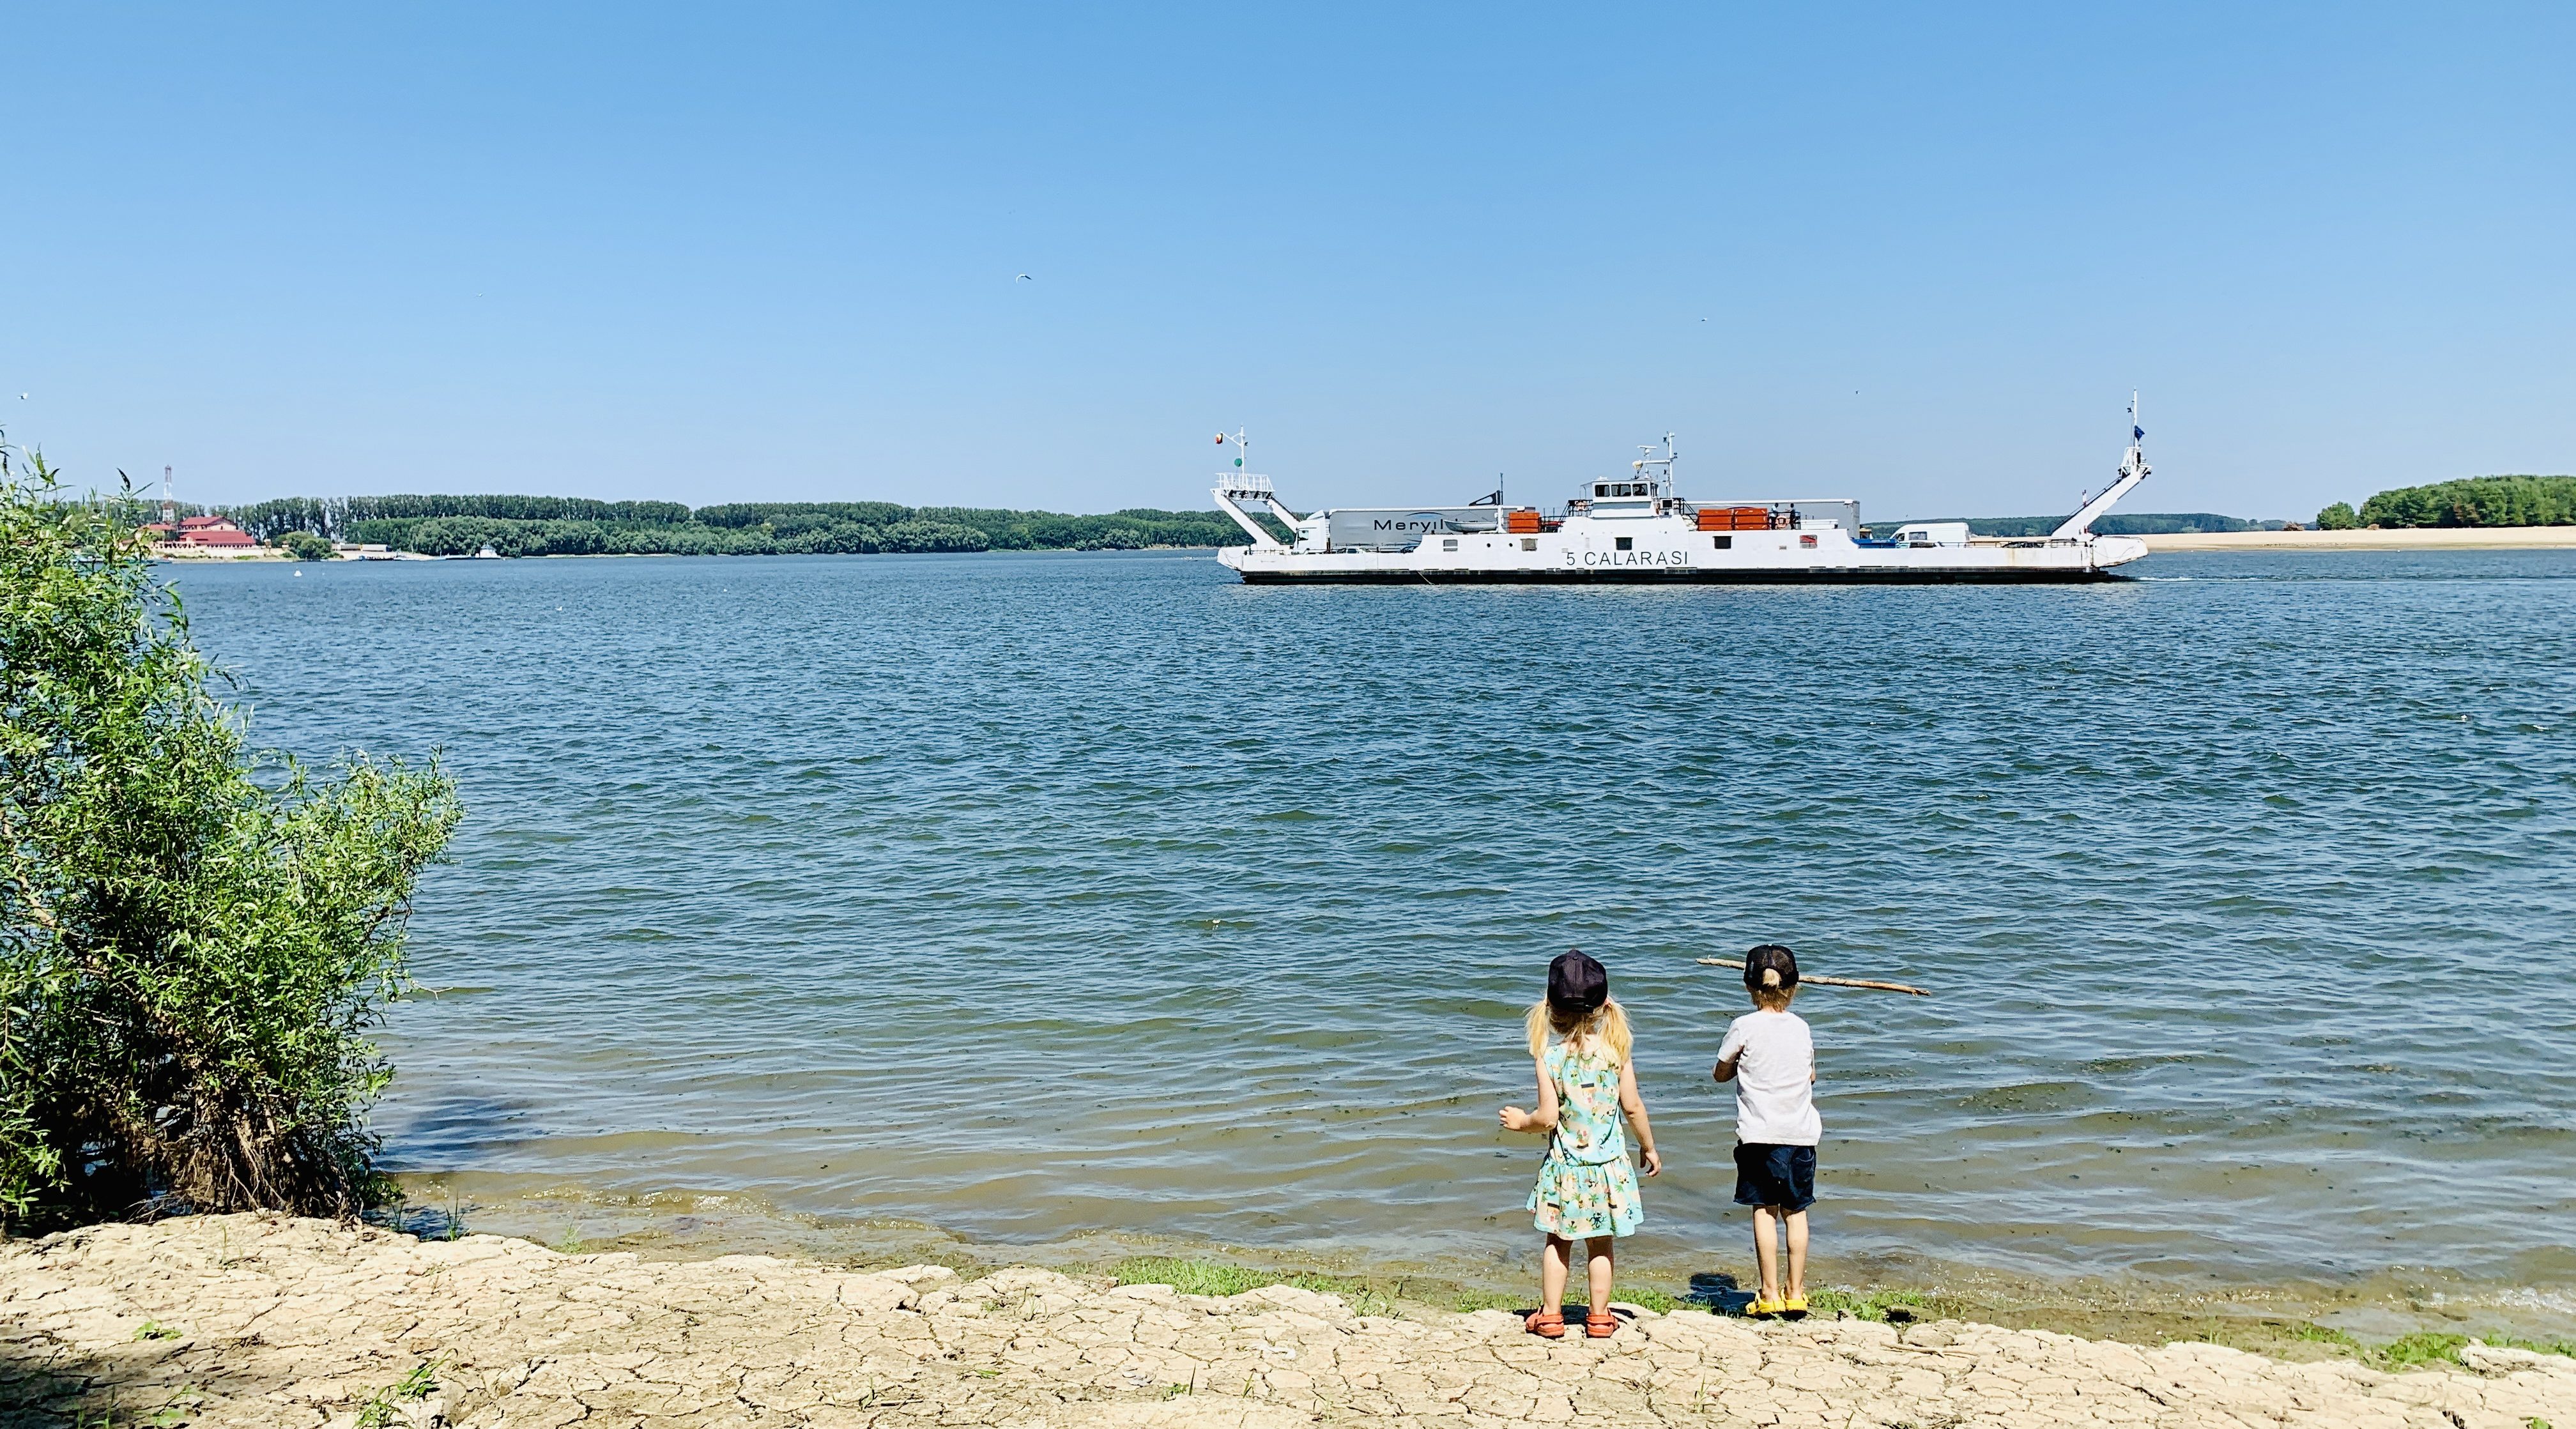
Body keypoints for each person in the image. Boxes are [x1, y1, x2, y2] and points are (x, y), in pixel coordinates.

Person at [1499, 949, 1662, 1339]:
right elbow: (1633, 1107)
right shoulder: (1616, 1052)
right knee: (1600, 1242)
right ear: (1605, 1006)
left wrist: (1521, 1122)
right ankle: (1600, 1317)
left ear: (1551, 1009)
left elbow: (1547, 1117)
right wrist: (1649, 1146)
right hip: (1608, 1170)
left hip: (1566, 1170)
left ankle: (1552, 1316)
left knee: (1558, 1240)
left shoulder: (1549, 1058)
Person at [1713, 943, 1821, 1318]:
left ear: (1749, 987)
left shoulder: (1743, 1026)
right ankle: (1796, 1292)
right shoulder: (1802, 1028)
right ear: (1794, 988)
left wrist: (1739, 1067)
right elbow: (1811, 1075)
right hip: (1799, 1136)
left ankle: (1769, 1293)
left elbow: (1720, 1072)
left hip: (1759, 1137)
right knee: (1796, 1211)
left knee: (1765, 1211)